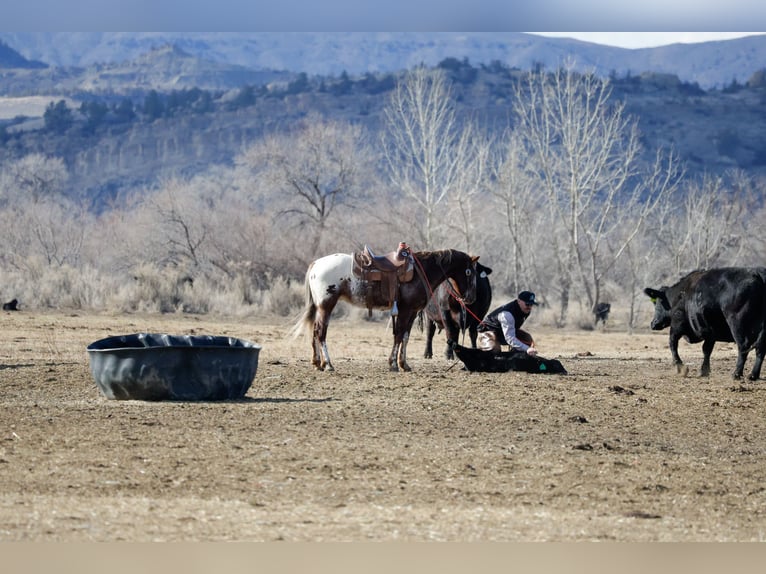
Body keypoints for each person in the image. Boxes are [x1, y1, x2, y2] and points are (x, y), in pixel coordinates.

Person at [477, 291, 539, 356]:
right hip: (487, 331)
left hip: (503, 332)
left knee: (527, 338)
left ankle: (515, 359)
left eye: (531, 304)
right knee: (494, 349)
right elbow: (510, 338)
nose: (529, 307)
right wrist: (527, 349)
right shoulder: (507, 314)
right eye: (527, 304)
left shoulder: (525, 310)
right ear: (518, 301)